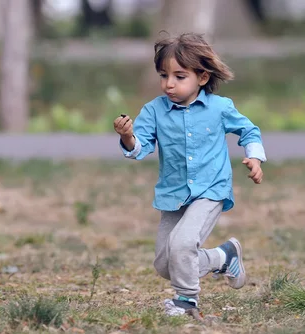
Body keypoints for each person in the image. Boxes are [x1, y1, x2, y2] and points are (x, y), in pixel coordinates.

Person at [113, 32, 267, 317]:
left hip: (211, 190)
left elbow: (249, 130)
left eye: (179, 76)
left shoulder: (220, 108)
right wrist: (128, 137)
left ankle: (186, 302)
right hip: (173, 194)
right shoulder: (154, 111)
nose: (169, 84)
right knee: (165, 264)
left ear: (203, 78)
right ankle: (224, 256)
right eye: (163, 75)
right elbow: (140, 148)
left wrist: (255, 157)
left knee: (183, 245)